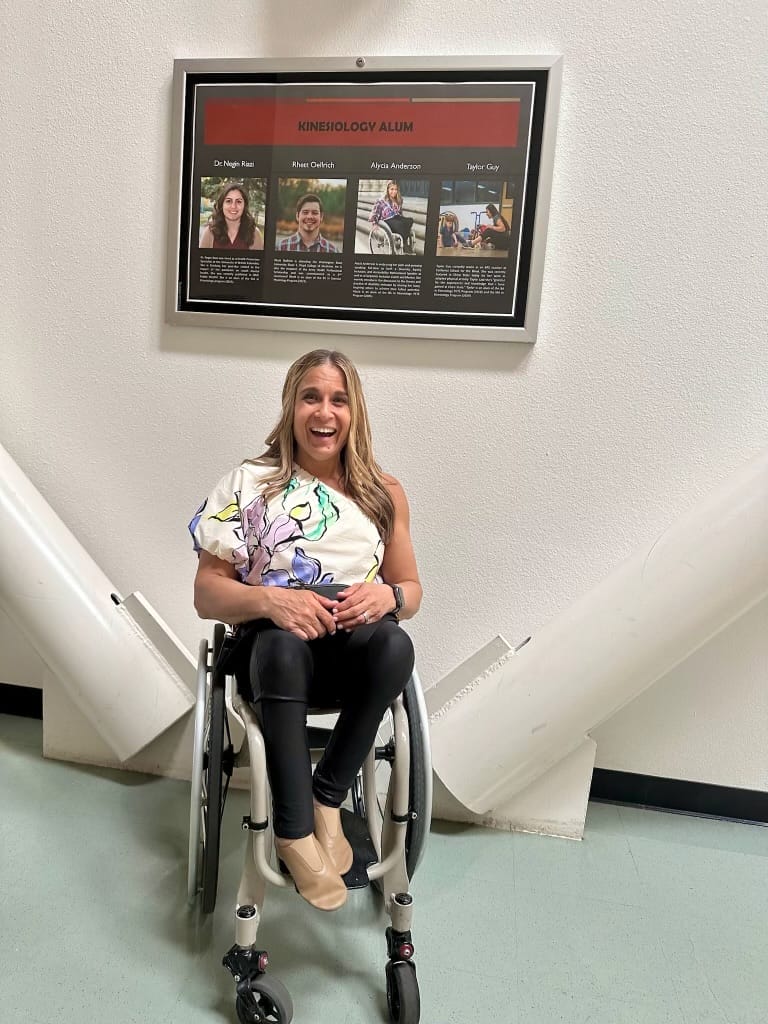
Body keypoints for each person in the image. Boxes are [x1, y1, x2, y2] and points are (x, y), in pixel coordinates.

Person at [189, 350, 421, 912]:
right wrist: (272, 600)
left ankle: (325, 798)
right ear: (291, 407)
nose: (325, 411)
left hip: (349, 650)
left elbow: (411, 591)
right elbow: (205, 594)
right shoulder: (250, 483)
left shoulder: (383, 492)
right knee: (281, 647)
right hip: (270, 650)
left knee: (395, 643)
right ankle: (292, 833)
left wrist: (386, 595)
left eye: (338, 399)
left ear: (354, 411)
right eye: (311, 397)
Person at [199, 182, 264, 250]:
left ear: (244, 205)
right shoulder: (210, 233)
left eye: (238, 201)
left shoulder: (254, 234)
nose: (233, 206)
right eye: (228, 201)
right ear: (222, 204)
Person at [368, 180, 414, 254]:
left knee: (410, 220)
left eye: (395, 189)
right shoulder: (381, 201)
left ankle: (404, 241)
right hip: (387, 220)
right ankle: (405, 244)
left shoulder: (398, 199)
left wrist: (403, 219)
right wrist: (374, 223)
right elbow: (375, 212)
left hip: (396, 217)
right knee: (400, 224)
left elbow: (400, 213)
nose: (394, 191)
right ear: (387, 190)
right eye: (392, 189)